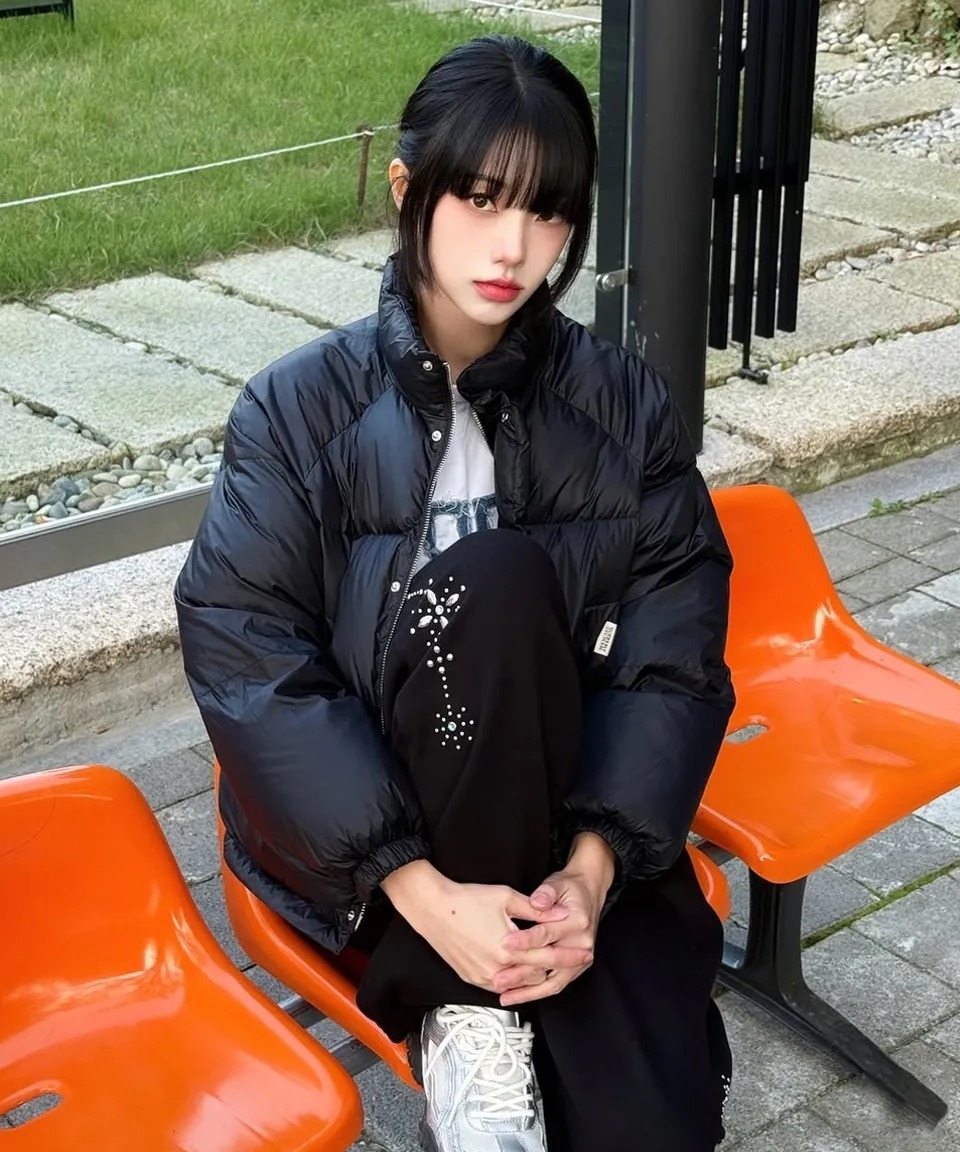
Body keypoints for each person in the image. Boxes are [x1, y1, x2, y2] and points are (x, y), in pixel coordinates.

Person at [175, 34, 736, 1152]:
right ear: (407, 190)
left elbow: (674, 647)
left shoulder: (622, 407)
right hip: (373, 832)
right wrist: (425, 895)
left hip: (555, 803)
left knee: (656, 1120)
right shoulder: (297, 411)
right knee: (493, 579)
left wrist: (592, 872)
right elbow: (248, 656)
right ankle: (462, 1005)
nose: (514, 248)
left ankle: (497, 996)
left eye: (548, 213)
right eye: (481, 200)